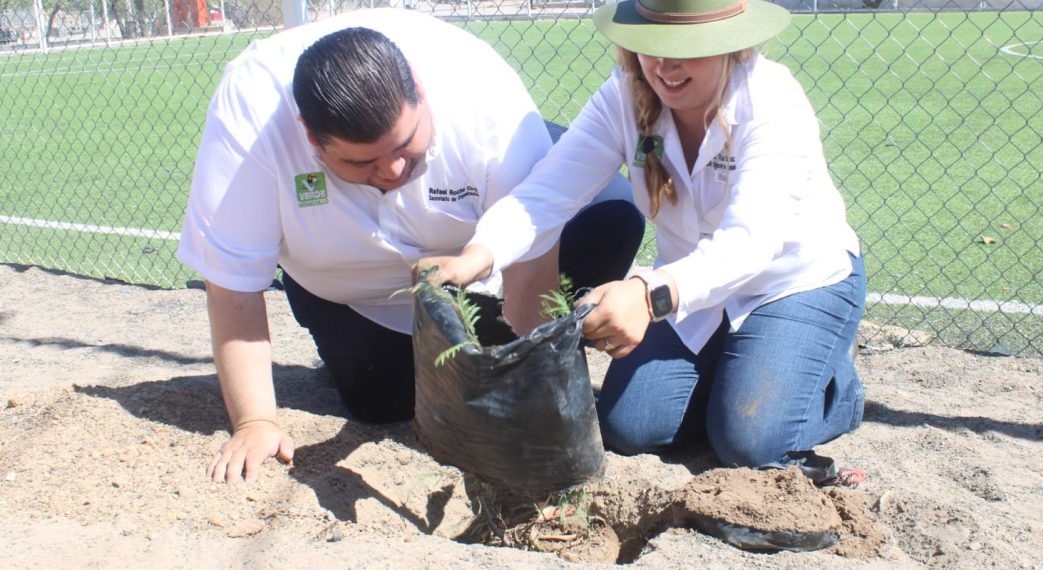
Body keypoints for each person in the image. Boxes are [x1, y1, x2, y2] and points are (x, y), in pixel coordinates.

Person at [177, 8, 644, 484]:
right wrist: (255, 422)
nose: (394, 171)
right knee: (380, 404)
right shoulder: (250, 114)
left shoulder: (481, 93)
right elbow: (232, 284)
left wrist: (536, 394)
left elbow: (531, 258)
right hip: (351, 287)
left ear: (419, 91)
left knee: (611, 216)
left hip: (486, 244)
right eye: (363, 162)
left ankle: (528, 349)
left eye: (404, 146)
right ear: (311, 138)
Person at [420, 0, 866, 472]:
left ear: (730, 44)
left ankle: (838, 390)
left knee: (749, 443)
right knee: (630, 428)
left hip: (793, 282)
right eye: (652, 44)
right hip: (693, 293)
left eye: (687, 47)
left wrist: (647, 295)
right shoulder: (624, 95)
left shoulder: (772, 101)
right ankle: (744, 374)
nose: (664, 65)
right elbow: (548, 191)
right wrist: (477, 255)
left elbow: (751, 241)